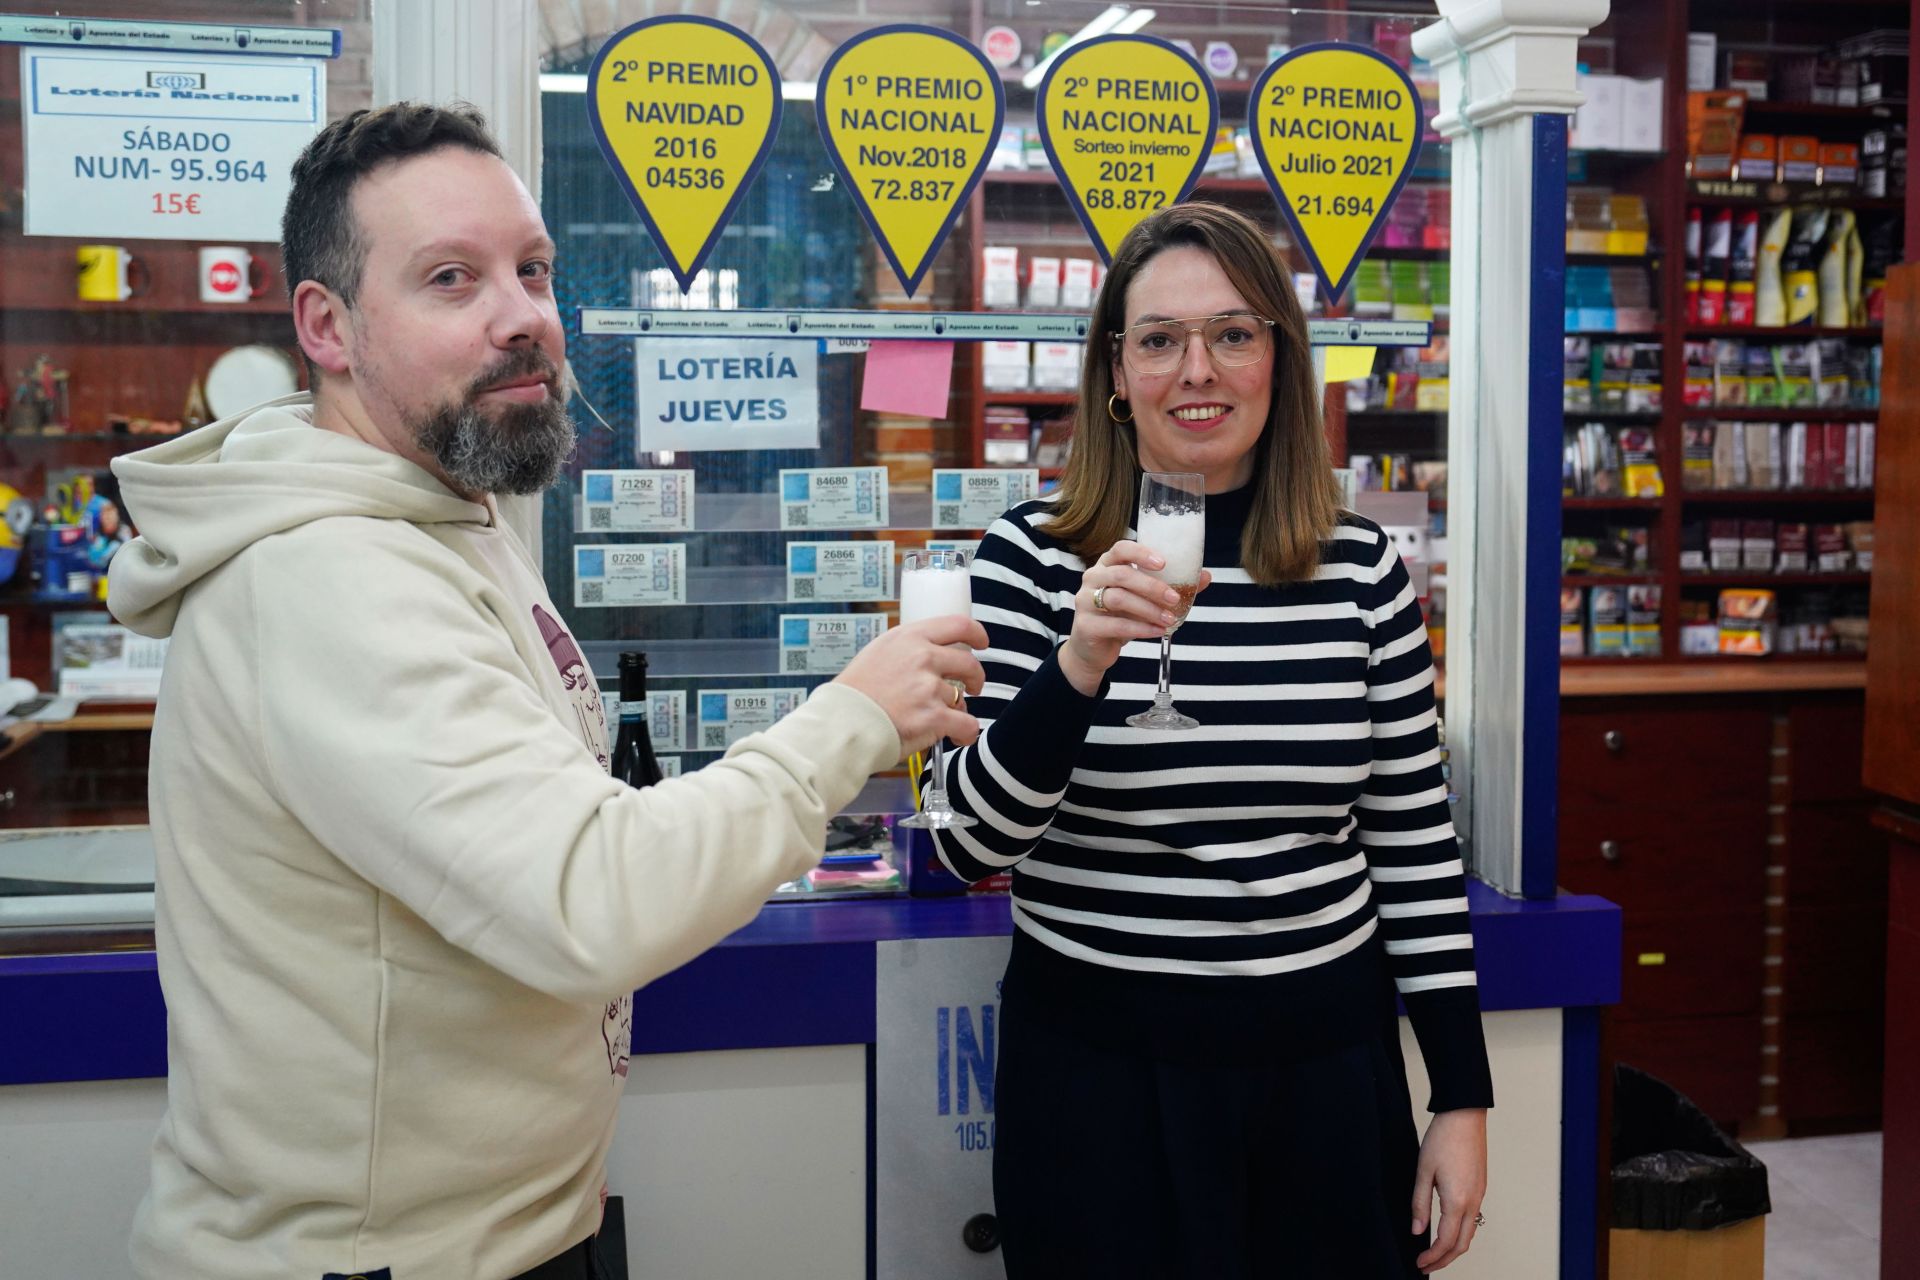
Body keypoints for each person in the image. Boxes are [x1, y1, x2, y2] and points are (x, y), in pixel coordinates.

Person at [106, 102, 986, 1280]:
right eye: (451, 279)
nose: (523, 318)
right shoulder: (330, 574)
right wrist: (856, 714)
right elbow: (593, 897)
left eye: (533, 269)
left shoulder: (439, 516)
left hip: (495, 1234)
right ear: (327, 324)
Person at [929, 202, 1492, 1278]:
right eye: (1160, 339)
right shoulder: (1032, 560)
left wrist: (1460, 1093)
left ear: (1279, 360)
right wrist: (1079, 664)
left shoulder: (1362, 569)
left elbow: (1415, 847)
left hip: (1327, 1074)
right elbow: (966, 839)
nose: (1198, 369)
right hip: (1099, 1080)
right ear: (1114, 369)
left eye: (1234, 333)